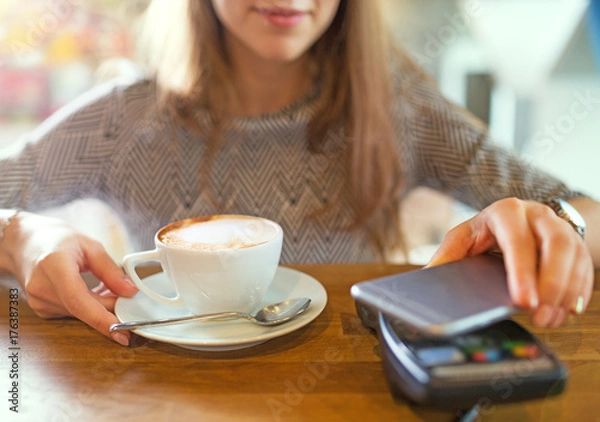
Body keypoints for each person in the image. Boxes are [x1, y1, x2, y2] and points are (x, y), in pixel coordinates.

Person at [0, 0, 598, 347]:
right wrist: (17, 234)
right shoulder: (123, 118)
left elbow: (584, 212)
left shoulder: (400, 108)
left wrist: (558, 225)